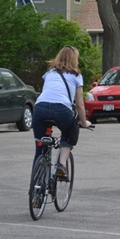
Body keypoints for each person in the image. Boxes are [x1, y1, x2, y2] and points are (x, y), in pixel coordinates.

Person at [32, 46, 92, 180]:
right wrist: (84, 122)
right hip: (61, 110)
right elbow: (79, 104)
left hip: (39, 109)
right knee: (71, 131)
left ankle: (36, 194)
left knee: (39, 149)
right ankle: (62, 164)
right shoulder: (76, 76)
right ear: (74, 59)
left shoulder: (49, 73)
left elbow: (47, 93)